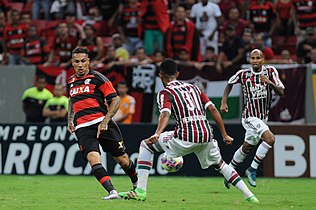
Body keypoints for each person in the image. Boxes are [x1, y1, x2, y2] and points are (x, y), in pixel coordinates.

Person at [119, 58, 259, 204]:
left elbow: (165, 113)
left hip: (185, 136)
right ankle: (250, 196)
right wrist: (224, 134)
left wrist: (158, 133)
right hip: (206, 134)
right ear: (177, 74)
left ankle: (140, 191)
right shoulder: (195, 88)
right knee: (221, 164)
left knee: (146, 145)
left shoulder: (165, 93)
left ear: (160, 75)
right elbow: (212, 109)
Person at [67, 46, 138, 200]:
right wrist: (70, 119)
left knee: (123, 160)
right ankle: (112, 192)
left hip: (102, 123)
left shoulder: (98, 78)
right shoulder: (71, 81)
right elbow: (71, 100)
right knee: (93, 158)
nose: (80, 64)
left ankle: (136, 184)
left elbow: (115, 99)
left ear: (88, 62)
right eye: (77, 61)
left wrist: (105, 121)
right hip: (83, 127)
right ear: (72, 63)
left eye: (83, 61)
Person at [220, 49, 285, 188]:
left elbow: (281, 92)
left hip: (263, 118)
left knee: (247, 147)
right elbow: (229, 83)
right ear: (250, 60)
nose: (255, 61)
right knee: (270, 139)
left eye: (258, 58)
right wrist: (224, 101)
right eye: (253, 58)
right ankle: (252, 168)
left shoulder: (271, 72)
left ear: (263, 60)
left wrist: (269, 83)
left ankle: (229, 172)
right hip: (249, 116)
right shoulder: (243, 74)